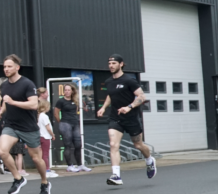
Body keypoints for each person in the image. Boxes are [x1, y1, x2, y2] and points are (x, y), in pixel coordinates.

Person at [0, 54, 51, 194]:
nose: (6, 69)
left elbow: (33, 104)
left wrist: (13, 102)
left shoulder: (27, 84)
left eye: (9, 66)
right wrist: (0, 112)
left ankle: (45, 182)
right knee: (2, 152)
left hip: (28, 126)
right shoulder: (4, 85)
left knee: (36, 159)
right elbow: (5, 102)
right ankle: (18, 178)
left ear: (17, 67)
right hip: (11, 125)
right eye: (4, 67)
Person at [97, 54, 155, 185]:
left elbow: (142, 96)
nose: (111, 66)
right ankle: (116, 175)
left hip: (131, 118)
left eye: (114, 63)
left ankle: (149, 160)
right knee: (113, 144)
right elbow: (110, 96)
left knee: (138, 145)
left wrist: (129, 107)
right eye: (109, 63)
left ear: (121, 64)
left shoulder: (129, 81)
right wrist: (103, 107)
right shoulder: (108, 82)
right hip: (115, 117)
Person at [54, 83, 89, 172]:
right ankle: (70, 166)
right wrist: (61, 123)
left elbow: (80, 110)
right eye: (65, 90)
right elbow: (56, 113)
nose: (67, 91)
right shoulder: (61, 101)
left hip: (75, 124)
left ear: (72, 91)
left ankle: (80, 165)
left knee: (78, 145)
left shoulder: (75, 100)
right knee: (68, 145)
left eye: (69, 90)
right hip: (65, 123)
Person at [37, 100, 58, 178]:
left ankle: (43, 169)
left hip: (40, 136)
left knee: (41, 154)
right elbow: (48, 128)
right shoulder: (45, 116)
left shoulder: (38, 116)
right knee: (45, 155)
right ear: (46, 107)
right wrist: (52, 135)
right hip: (45, 137)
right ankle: (47, 170)